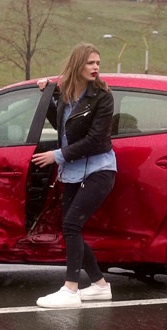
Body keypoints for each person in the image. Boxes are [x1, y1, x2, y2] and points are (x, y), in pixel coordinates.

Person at [32, 43, 117, 308]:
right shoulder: (67, 94)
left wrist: (56, 156)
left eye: (98, 63)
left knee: (70, 225)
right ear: (77, 64)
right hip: (72, 170)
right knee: (71, 227)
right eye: (90, 63)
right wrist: (47, 95)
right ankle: (100, 285)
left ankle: (70, 289)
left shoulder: (102, 97)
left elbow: (95, 140)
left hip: (99, 169)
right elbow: (62, 127)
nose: (95, 68)